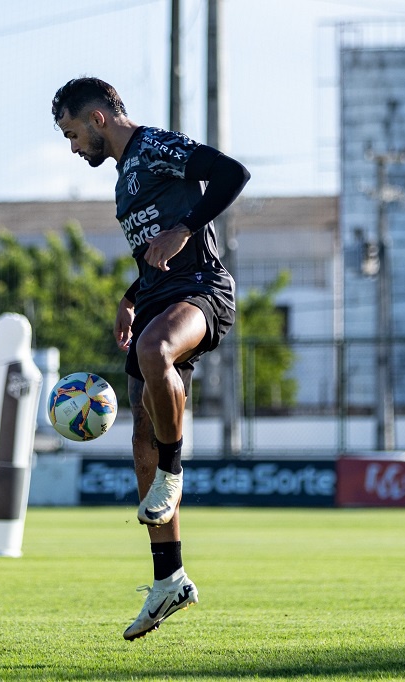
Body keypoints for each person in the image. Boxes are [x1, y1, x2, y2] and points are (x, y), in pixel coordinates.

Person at [51, 77, 250, 640]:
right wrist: (131, 297)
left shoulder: (155, 146)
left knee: (154, 349)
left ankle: (174, 470)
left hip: (203, 290)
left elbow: (234, 174)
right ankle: (170, 579)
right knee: (141, 432)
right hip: (158, 299)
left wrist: (185, 228)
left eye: (71, 133)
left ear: (96, 119)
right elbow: (151, 254)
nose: (71, 148)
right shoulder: (122, 183)